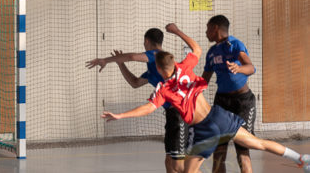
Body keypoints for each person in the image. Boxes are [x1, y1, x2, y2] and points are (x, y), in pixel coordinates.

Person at [101, 24, 310, 173]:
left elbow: (147, 108)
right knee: (260, 144)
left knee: (188, 171)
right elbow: (197, 49)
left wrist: (120, 116)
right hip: (219, 117)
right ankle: (301, 159)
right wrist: (177, 31)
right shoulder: (185, 67)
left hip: (205, 131)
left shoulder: (163, 89)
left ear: (157, 68)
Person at [86, 28, 187, 173]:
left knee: (179, 166)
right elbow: (135, 83)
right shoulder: (154, 69)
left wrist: (105, 60)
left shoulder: (156, 55)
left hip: (180, 115)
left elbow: (132, 57)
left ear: (146, 41)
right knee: (169, 162)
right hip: (171, 116)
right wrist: (120, 63)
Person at [202, 15, 256, 173]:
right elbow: (204, 80)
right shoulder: (211, 52)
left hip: (242, 102)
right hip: (222, 102)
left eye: (207, 28)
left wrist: (239, 68)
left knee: (243, 149)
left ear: (215, 28)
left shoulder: (234, 44)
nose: (206, 32)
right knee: (219, 149)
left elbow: (250, 67)